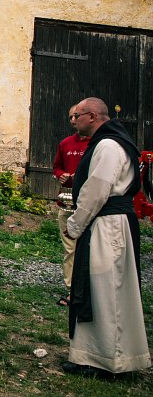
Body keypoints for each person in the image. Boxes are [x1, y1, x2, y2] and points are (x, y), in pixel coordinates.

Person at [63, 97, 151, 376]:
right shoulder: (107, 142)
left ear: (92, 116)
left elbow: (97, 190)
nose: (73, 121)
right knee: (97, 287)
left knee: (107, 290)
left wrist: (75, 223)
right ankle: (90, 354)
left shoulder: (108, 145)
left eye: (77, 116)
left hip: (108, 225)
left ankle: (109, 360)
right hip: (104, 223)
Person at [51, 105, 90, 307]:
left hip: (89, 204)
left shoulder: (97, 144)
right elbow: (57, 167)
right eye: (70, 117)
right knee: (70, 248)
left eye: (76, 116)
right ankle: (71, 288)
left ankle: (90, 290)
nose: (73, 120)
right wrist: (61, 175)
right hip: (66, 202)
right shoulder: (66, 143)